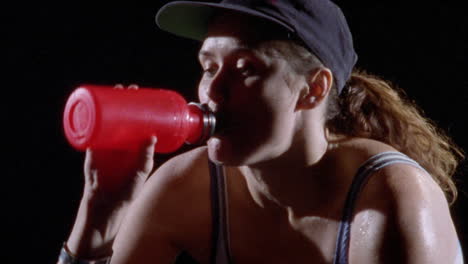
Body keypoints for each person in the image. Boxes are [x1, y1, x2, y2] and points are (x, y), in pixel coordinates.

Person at [57, 0, 465, 263]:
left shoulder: (391, 197)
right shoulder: (186, 188)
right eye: (208, 67)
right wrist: (99, 217)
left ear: (313, 89)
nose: (212, 92)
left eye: (245, 69)